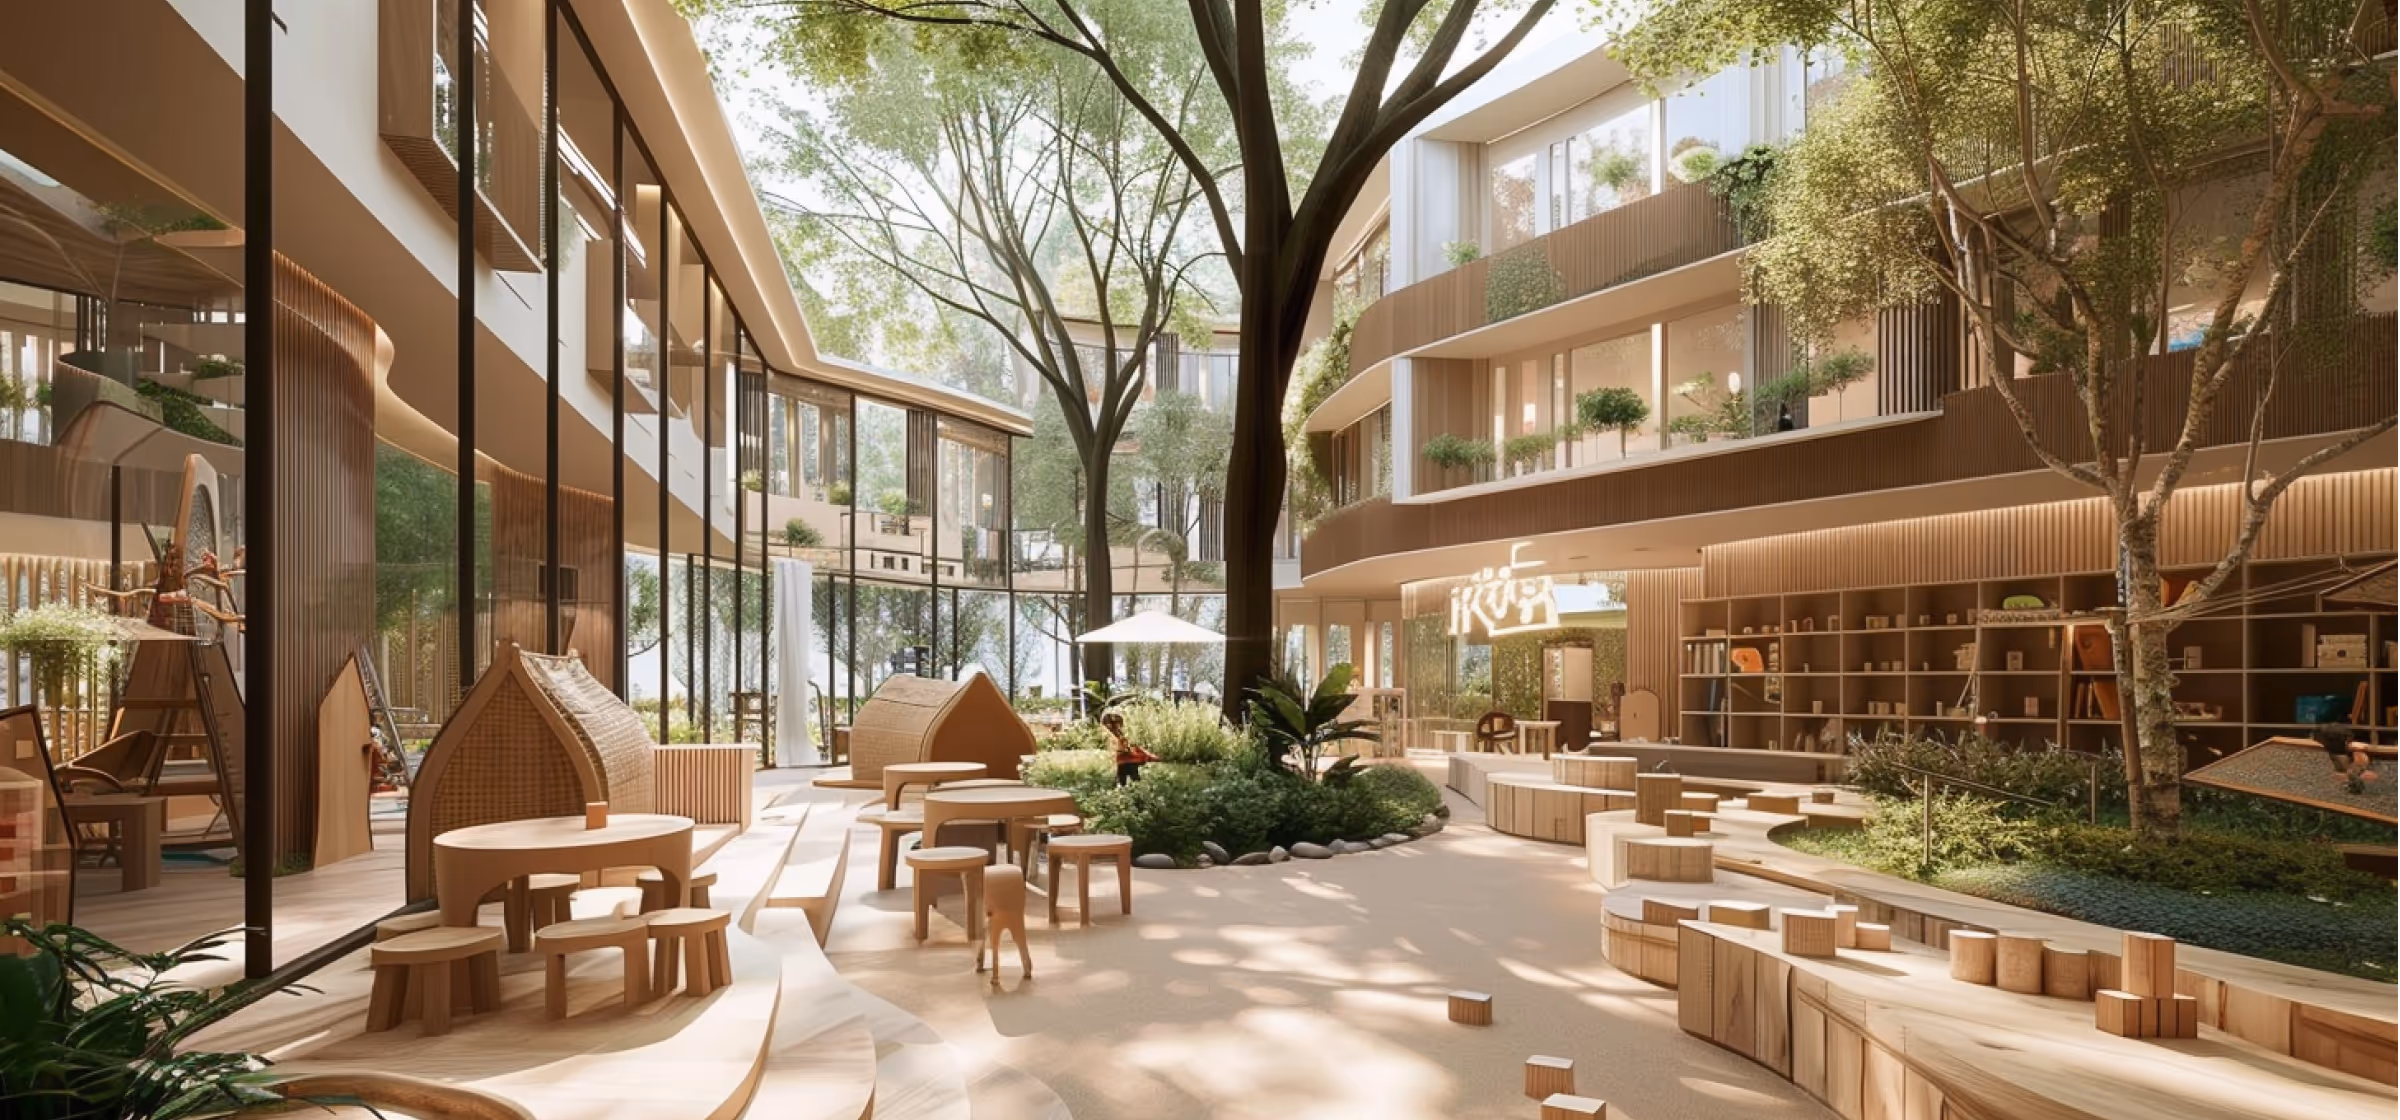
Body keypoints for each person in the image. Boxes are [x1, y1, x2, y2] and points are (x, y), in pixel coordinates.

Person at [1102, 711, 1155, 785]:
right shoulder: (1116, 734)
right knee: (1128, 779)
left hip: (1125, 760)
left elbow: (1124, 747)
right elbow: (1121, 748)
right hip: (1125, 760)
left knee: (1126, 779)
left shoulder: (1118, 734)